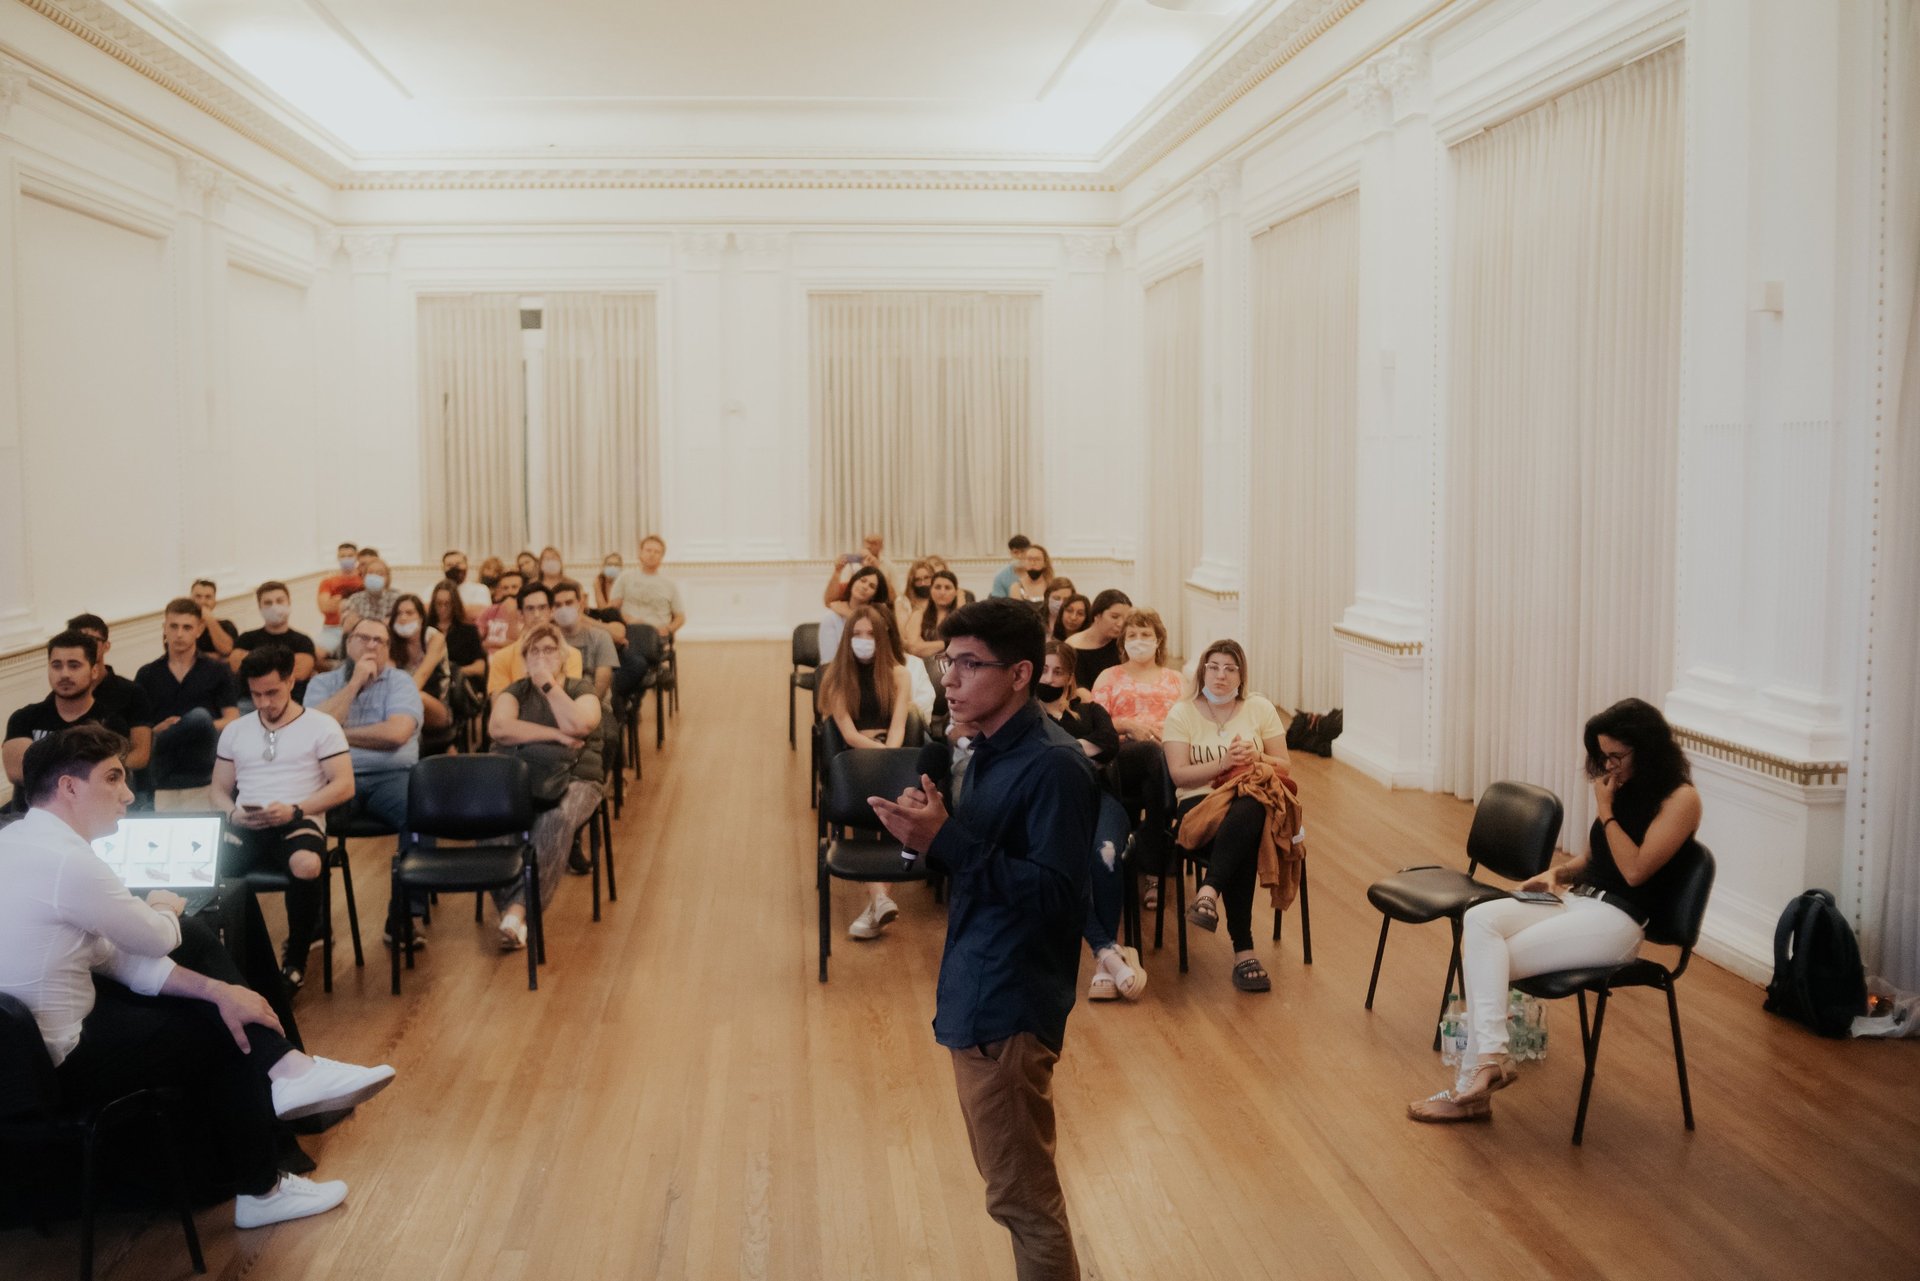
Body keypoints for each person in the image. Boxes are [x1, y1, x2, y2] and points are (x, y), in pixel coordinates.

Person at [0, 725, 396, 1228]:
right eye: (113, 778)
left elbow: (108, 955)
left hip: (13, 1064)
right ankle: (263, 1185)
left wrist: (220, 990)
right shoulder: (70, 863)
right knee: (215, 1023)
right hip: (49, 1069)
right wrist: (163, 906)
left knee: (211, 998)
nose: (127, 794)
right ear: (70, 788)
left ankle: (289, 1074)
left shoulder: (11, 840)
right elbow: (157, 939)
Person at [869, 599, 1096, 1281]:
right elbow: (980, 857)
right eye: (948, 661)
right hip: (978, 983)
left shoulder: (1054, 766)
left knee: (1022, 1199)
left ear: (1022, 672)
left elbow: (1058, 898)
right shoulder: (985, 747)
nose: (951, 677)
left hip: (1010, 1001)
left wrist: (946, 839)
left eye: (970, 663)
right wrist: (930, 829)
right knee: (1016, 1193)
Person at [1408, 697, 1703, 1122]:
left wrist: (1605, 811)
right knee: (1479, 918)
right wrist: (1558, 874)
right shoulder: (1623, 789)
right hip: (1580, 901)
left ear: (1648, 748)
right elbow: (1596, 858)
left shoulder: (1682, 799)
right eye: (1602, 757)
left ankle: (1474, 1085)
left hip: (1618, 923)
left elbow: (1636, 870)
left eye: (1616, 756)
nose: (1609, 767)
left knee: (1489, 961)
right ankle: (1487, 1066)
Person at [213, 646, 355, 990]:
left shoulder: (322, 726)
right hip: (248, 822)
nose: (263, 703)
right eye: (255, 694)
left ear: (292, 681)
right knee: (209, 867)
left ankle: (295, 959)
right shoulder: (236, 730)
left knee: (306, 863)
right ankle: (232, 958)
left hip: (298, 818)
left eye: (272, 692)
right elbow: (218, 789)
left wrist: (298, 809)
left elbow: (344, 785)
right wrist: (232, 813)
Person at [1161, 639, 1292, 993]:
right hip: (1199, 805)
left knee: (1248, 804)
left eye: (1230, 668)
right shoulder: (1182, 712)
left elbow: (1285, 764)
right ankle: (1243, 951)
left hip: (1246, 802)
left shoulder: (1259, 708)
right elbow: (1178, 776)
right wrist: (1222, 764)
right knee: (1248, 831)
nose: (1221, 675)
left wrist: (1256, 759)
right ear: (1203, 670)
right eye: (1214, 666)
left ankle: (1208, 891)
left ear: (1241, 675)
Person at [304, 616, 424, 946]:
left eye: (379, 641)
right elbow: (311, 734)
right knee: (304, 824)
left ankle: (402, 917)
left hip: (392, 777)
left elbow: (397, 733)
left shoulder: (401, 682)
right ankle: (312, 924)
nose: (371, 646)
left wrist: (338, 734)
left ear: (388, 649)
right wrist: (354, 684)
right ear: (348, 643)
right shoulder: (322, 684)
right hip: (334, 779)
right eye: (364, 638)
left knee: (421, 815)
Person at [485, 622, 605, 951]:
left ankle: (517, 912)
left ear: (563, 656)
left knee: (557, 819)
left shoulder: (580, 688)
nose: (541, 657)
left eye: (549, 649)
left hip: (577, 776)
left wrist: (549, 687)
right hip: (523, 776)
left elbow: (580, 724)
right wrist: (554, 735)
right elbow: (499, 728)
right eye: (534, 651)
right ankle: (516, 916)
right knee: (492, 819)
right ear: (524, 658)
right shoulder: (516, 691)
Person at [1034, 643, 1140, 1005]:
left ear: (1069, 677)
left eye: (1058, 672)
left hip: (1101, 800)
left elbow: (1110, 744)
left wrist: (1066, 750)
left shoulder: (1091, 710)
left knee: (1106, 854)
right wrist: (1084, 750)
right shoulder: (1026, 715)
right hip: (1053, 809)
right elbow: (1038, 752)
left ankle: (1103, 963)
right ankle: (1106, 953)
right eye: (1044, 670)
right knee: (1064, 865)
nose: (1050, 678)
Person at [816, 605, 915, 940]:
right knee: (869, 798)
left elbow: (900, 724)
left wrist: (890, 756)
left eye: (870, 634)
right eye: (856, 634)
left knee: (894, 801)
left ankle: (877, 904)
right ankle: (881, 898)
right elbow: (848, 734)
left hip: (890, 751)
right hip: (852, 759)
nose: (863, 640)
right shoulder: (836, 677)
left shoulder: (899, 674)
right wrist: (883, 754)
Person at [6, 631, 152, 787]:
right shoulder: (24, 718)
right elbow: (18, 772)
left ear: (94, 671)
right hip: (32, 810)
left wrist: (45, 765)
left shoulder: (111, 723)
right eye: (56, 666)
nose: (64, 674)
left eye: (74, 666)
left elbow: (111, 776)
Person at [135, 598, 240, 808]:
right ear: (164, 628)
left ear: (199, 630)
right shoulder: (147, 674)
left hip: (202, 757)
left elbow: (232, 718)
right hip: (163, 757)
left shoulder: (216, 670)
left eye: (187, 627)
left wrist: (194, 726)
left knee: (200, 718)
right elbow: (140, 728)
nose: (179, 634)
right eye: (173, 626)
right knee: (186, 724)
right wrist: (160, 729)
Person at [1092, 608, 1183, 744]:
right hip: (1123, 748)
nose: (1138, 640)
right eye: (1132, 635)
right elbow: (1096, 723)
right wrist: (1128, 726)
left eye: (1145, 634)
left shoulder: (1177, 679)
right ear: (1124, 641)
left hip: (1169, 748)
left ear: (1158, 641)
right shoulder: (1107, 676)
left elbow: (1190, 722)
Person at [487, 582, 585, 697]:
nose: (537, 614)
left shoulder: (571, 655)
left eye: (542, 608)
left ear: (551, 611)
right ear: (520, 614)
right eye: (530, 609)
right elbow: (498, 707)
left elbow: (570, 700)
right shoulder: (501, 657)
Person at [64, 613, 153, 734]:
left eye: (91, 640)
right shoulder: (63, 694)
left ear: (106, 646)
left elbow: (141, 749)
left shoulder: (132, 693)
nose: (84, 647)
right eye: (77, 641)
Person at [230, 581, 318, 700]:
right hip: (251, 703)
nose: (274, 606)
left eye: (280, 601)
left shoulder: (303, 641)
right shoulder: (246, 639)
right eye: (268, 603)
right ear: (260, 607)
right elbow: (237, 667)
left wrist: (257, 665)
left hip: (292, 702)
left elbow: (301, 673)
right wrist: (284, 666)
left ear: (288, 603)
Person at [387, 594, 453, 739]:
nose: (403, 618)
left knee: (417, 697)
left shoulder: (435, 638)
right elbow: (388, 677)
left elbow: (422, 676)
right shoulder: (392, 641)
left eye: (409, 613)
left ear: (421, 618)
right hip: (398, 704)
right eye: (398, 613)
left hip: (436, 704)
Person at [609, 534, 686, 647]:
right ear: (640, 553)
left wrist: (668, 629)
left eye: (657, 552)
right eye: (648, 550)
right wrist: (624, 618)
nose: (652, 554)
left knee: (629, 651)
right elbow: (612, 608)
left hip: (654, 635)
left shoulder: (669, 585)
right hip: (629, 630)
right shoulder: (625, 577)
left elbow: (680, 617)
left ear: (662, 557)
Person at [552, 579, 618, 700]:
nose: (564, 608)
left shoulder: (600, 637)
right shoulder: (548, 640)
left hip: (595, 706)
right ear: (552, 610)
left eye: (569, 602)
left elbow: (601, 686)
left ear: (580, 605)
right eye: (558, 605)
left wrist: (583, 710)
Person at [818, 564, 893, 663]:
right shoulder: (832, 617)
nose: (865, 587)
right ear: (853, 581)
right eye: (862, 580)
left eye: (872, 586)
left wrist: (850, 614)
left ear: (874, 595)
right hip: (839, 672)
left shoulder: (879, 619)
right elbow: (828, 662)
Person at [1064, 589, 1131, 693]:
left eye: (1125, 619)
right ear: (1097, 615)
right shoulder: (1072, 645)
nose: (1120, 624)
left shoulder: (1123, 644)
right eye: (1115, 617)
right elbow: (1078, 690)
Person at [427, 579, 488, 683]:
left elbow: (480, 667)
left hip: (458, 684)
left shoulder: (468, 631)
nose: (443, 608)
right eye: (439, 603)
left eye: (448, 604)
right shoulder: (426, 629)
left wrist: (456, 672)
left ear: (455, 604)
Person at [903, 568, 962, 660]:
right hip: (923, 670)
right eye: (937, 587)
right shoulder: (918, 615)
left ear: (955, 592)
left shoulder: (962, 618)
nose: (942, 592)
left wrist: (925, 646)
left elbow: (962, 648)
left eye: (947, 588)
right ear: (930, 590)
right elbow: (913, 648)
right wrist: (947, 643)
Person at [316, 542, 362, 655]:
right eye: (343, 556)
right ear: (338, 558)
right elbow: (325, 607)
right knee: (316, 655)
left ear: (357, 557)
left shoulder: (364, 580)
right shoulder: (328, 582)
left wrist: (336, 600)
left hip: (360, 628)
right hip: (332, 629)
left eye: (350, 556)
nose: (346, 559)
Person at [339, 557, 399, 637]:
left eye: (380, 574)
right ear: (364, 577)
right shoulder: (355, 599)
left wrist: (361, 622)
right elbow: (347, 627)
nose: (375, 577)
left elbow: (397, 626)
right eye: (371, 573)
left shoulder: (396, 598)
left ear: (387, 578)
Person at [477, 569, 525, 656]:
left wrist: (490, 643)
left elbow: (522, 644)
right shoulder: (491, 610)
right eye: (505, 588)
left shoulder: (528, 612)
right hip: (488, 660)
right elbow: (476, 639)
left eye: (514, 587)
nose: (509, 592)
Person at [189, 579, 240, 659]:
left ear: (214, 602)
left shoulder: (227, 625)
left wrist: (209, 618)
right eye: (198, 596)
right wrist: (217, 657)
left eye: (208, 597)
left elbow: (227, 651)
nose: (202, 601)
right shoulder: (181, 626)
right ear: (190, 600)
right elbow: (180, 657)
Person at [988, 534, 1031, 599]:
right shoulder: (1001, 577)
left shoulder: (1037, 572)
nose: (1020, 556)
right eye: (1016, 552)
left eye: (1023, 552)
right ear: (1011, 553)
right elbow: (998, 604)